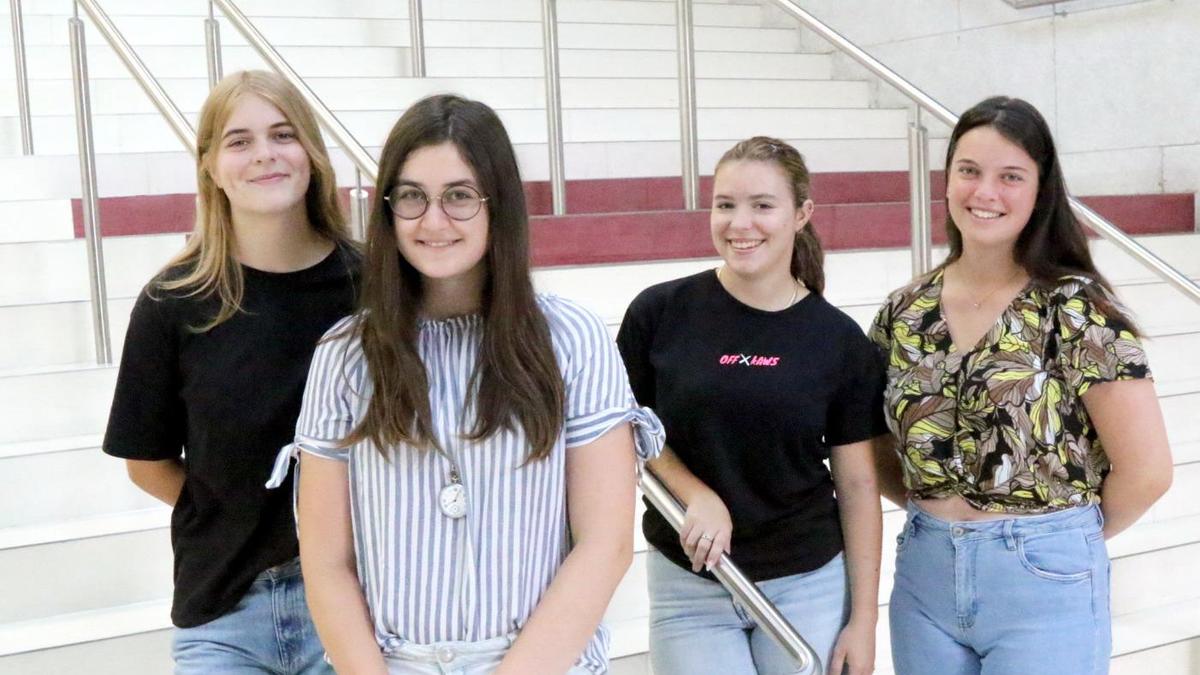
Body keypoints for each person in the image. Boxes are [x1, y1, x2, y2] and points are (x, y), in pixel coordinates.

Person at [286, 93, 662, 675]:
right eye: (411, 196)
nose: (433, 221)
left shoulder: (572, 338)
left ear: (499, 204)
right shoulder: (344, 355)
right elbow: (328, 561)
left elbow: (604, 545)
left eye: (459, 196)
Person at [869, 96, 1174, 675]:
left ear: (1040, 190)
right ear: (949, 178)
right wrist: (935, 505)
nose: (985, 193)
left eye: (1010, 176)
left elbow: (1149, 470)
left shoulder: (1078, 311)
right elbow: (874, 443)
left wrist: (1057, 536)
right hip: (925, 577)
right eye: (969, 171)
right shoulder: (905, 311)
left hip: (1043, 577)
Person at [102, 70, 358, 673]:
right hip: (224, 611)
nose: (264, 154)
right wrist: (230, 510)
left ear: (313, 154)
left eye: (282, 134)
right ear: (210, 166)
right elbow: (147, 461)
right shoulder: (173, 302)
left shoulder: (373, 288)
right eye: (239, 141)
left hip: (359, 603)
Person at [616, 136, 886, 675]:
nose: (741, 224)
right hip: (691, 581)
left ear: (801, 214)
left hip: (806, 582)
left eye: (763, 206)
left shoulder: (839, 341)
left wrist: (863, 621)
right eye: (725, 205)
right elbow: (626, 430)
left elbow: (857, 487)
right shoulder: (660, 313)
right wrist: (696, 494)